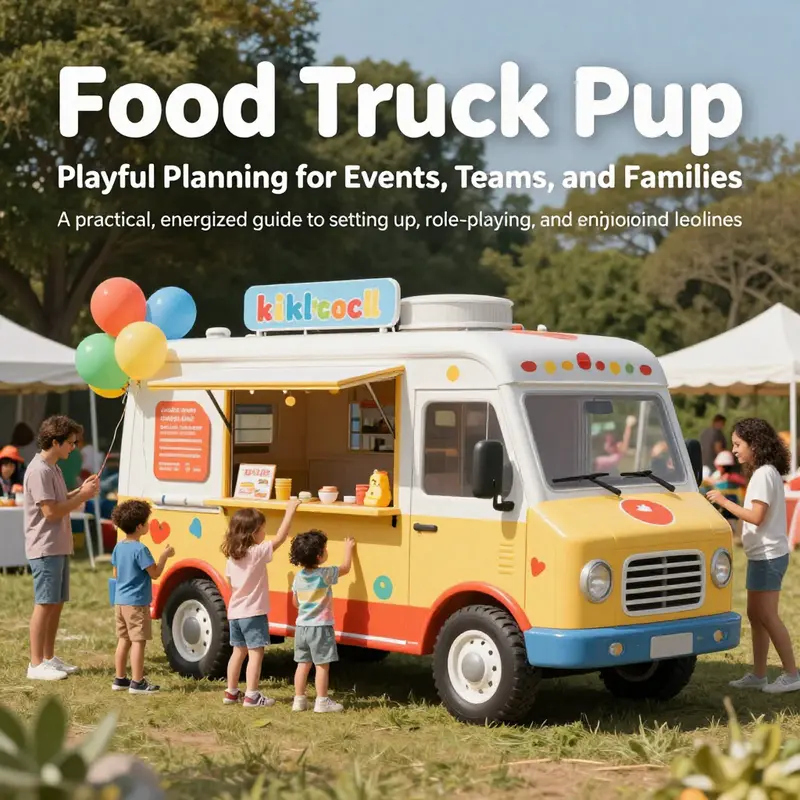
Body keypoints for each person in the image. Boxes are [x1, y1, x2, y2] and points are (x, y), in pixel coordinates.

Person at [707, 418, 800, 694]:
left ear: (754, 445)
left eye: (737, 444)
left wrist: (724, 503)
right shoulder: (766, 472)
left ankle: (792, 674)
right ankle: (759, 674)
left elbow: (757, 517)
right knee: (755, 614)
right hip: (762, 555)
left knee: (767, 615)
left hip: (769, 556)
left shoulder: (762, 475)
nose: (733, 450)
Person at [24, 416, 99, 681]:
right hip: (45, 548)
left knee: (56, 604)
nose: (74, 447)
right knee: (44, 604)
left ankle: (47, 658)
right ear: (55, 442)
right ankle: (35, 665)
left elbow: (60, 499)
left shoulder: (52, 468)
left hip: (59, 545)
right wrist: (82, 496)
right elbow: (51, 512)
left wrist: (82, 490)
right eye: (70, 442)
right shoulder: (39, 471)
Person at [221, 500, 300, 708]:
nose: (265, 533)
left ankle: (231, 692)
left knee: (238, 652)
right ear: (254, 532)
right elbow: (281, 538)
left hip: (235, 613)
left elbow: (230, 584)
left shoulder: (232, 557)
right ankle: (252, 695)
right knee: (256, 653)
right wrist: (290, 511)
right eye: (263, 530)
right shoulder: (256, 553)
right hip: (253, 613)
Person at [110, 500, 175, 694]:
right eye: (146, 523)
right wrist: (164, 556)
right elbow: (154, 573)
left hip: (120, 601)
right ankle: (137, 682)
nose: (148, 525)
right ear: (139, 527)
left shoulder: (118, 547)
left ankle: (120, 678)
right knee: (139, 641)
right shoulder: (141, 550)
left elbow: (115, 574)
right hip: (136, 603)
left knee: (123, 639)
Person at [289, 530, 355, 713]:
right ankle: (322, 701)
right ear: (319, 556)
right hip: (320, 628)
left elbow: (295, 602)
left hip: (301, 628)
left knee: (302, 664)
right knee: (321, 665)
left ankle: (299, 700)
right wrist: (348, 548)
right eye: (325, 549)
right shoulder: (325, 574)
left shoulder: (298, 577)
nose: (327, 551)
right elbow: (346, 567)